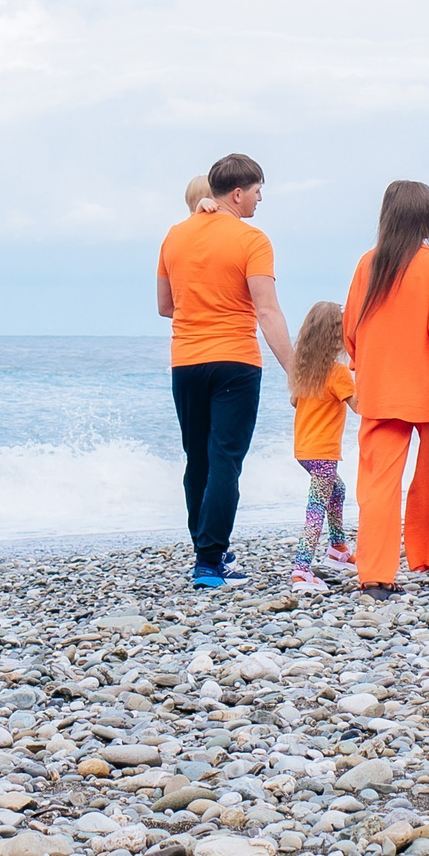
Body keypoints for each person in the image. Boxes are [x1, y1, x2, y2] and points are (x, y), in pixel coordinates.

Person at [157, 153, 294, 589]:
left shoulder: (174, 236)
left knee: (197, 459)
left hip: (186, 362)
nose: (259, 200)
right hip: (234, 361)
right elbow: (267, 311)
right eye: (257, 192)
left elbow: (164, 306)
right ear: (238, 192)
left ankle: (206, 551)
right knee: (225, 462)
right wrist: (295, 370)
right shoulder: (252, 239)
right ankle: (211, 563)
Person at [342, 179, 429, 600]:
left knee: (378, 487)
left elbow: (350, 329)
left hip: (380, 390)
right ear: (428, 217)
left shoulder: (369, 263)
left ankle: (376, 578)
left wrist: (361, 368)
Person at [285, 301, 357, 592]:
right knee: (316, 509)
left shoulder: (305, 371)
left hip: (304, 451)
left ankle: (338, 548)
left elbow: (295, 402)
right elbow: (360, 406)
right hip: (324, 453)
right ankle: (301, 570)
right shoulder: (338, 373)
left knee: (337, 491)